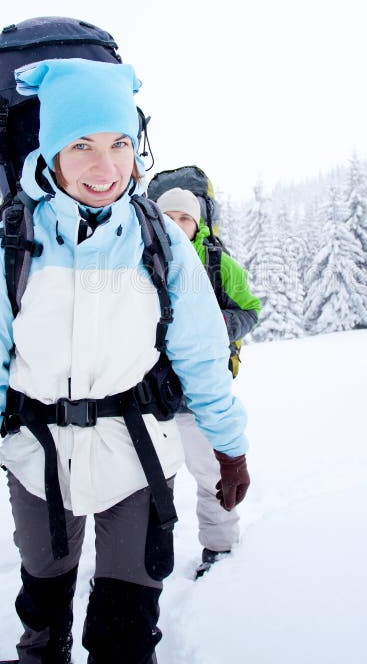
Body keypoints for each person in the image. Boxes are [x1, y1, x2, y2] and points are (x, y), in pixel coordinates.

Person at [0, 58, 251, 664]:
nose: (105, 168)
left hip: (140, 457)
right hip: (38, 459)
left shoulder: (162, 242)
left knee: (129, 626)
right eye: (81, 145)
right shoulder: (10, 245)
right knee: (43, 606)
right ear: (51, 152)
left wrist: (229, 446)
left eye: (119, 144)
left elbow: (203, 358)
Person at [155, 186, 260, 577]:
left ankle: (219, 548)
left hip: (204, 398)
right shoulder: (143, 254)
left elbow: (249, 308)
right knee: (150, 483)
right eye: (170, 218)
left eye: (186, 218)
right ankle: (147, 558)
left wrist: (222, 324)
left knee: (214, 478)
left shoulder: (218, 263)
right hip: (150, 397)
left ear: (198, 222)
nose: (178, 226)